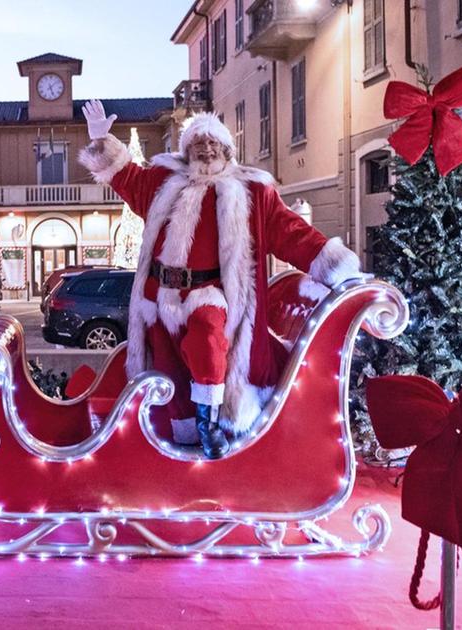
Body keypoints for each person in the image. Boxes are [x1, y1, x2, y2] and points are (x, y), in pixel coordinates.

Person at [78, 100, 363, 459]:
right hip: (159, 295)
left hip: (209, 293)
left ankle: (207, 423)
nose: (206, 149)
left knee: (208, 343)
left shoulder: (251, 192)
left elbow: (294, 234)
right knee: (168, 370)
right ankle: (181, 439)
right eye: (198, 144)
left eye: (214, 144)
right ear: (187, 151)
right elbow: (127, 178)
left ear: (228, 150)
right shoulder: (163, 182)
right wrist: (103, 142)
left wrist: (339, 269)